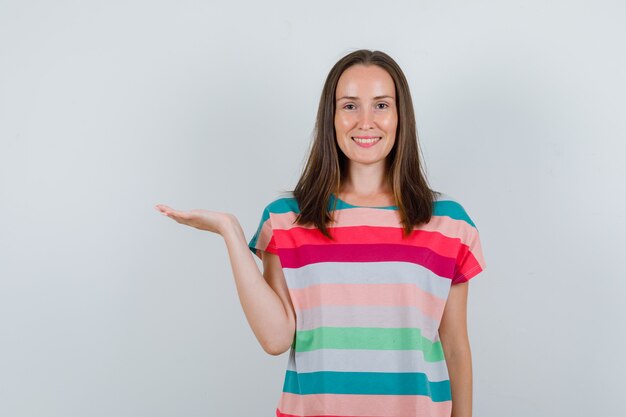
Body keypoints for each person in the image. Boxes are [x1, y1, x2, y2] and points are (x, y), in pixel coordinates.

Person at [155, 49, 486, 417]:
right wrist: (230, 232)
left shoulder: (449, 223)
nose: (365, 121)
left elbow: (455, 346)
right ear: (330, 117)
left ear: (400, 116)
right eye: (349, 106)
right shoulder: (286, 219)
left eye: (380, 105)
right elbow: (276, 338)